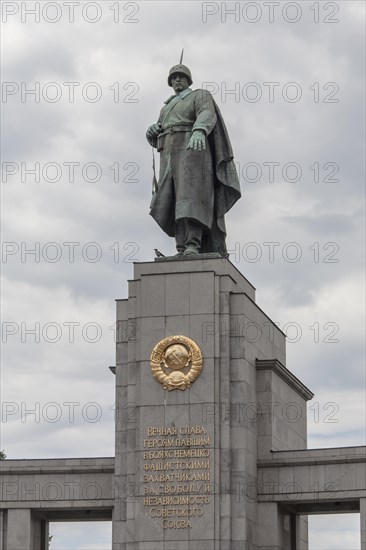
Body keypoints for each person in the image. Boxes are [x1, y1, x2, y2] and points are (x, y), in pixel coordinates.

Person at [146, 62, 241, 257]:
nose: (177, 80)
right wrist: (152, 132)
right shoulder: (166, 107)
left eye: (180, 76)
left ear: (188, 79)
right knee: (171, 198)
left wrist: (199, 131)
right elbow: (159, 131)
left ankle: (193, 244)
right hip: (168, 152)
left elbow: (206, 112)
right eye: (173, 78)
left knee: (190, 197)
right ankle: (181, 247)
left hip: (192, 148)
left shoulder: (199, 95)